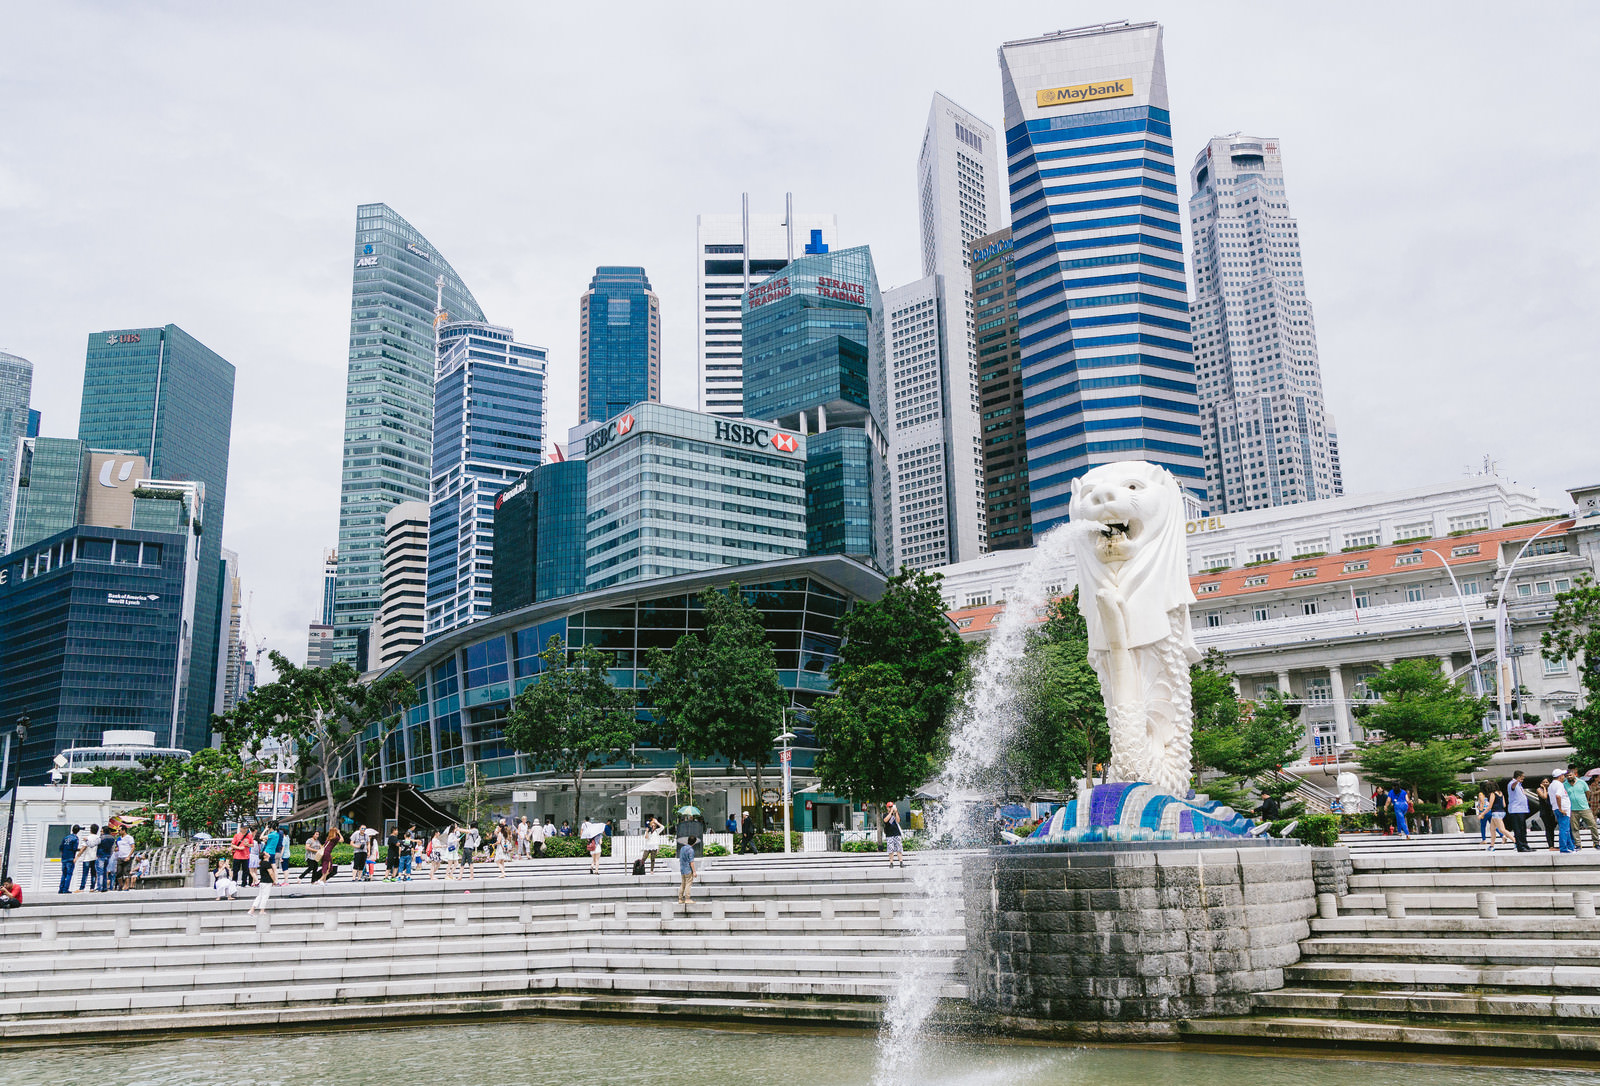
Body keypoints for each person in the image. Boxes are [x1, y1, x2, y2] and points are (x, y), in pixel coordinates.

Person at [1569, 768, 1600, 851]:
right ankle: (1578, 844)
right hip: (1572, 809)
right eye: (1567, 776)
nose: (1569, 777)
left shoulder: (1581, 782)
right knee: (1575, 828)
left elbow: (1588, 792)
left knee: (1593, 825)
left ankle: (1596, 843)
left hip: (1584, 808)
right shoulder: (1565, 784)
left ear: (1574, 775)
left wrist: (1585, 801)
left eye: (1570, 775)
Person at [1506, 771, 1532, 852]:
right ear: (1518, 777)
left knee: (1523, 829)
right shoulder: (1512, 783)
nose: (1523, 779)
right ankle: (1520, 846)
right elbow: (1512, 786)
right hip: (1515, 810)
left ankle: (1525, 845)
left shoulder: (1520, 785)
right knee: (1518, 829)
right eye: (1522, 777)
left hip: (1522, 809)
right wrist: (1516, 781)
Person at [1553, 768, 1576, 853]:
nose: (1564, 777)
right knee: (1564, 829)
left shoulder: (1552, 785)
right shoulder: (1559, 785)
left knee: (1566, 829)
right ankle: (1563, 848)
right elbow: (1558, 796)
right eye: (1563, 775)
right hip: (1563, 810)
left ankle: (1571, 847)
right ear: (1560, 776)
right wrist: (1560, 808)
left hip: (1558, 809)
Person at [76, 824, 99, 892]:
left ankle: (82, 888)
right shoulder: (98, 838)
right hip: (95, 858)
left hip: (87, 858)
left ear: (90, 829)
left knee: (85, 874)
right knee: (93, 874)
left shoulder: (87, 838)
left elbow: (83, 848)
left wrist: (77, 857)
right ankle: (92, 888)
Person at [95, 822, 117, 891]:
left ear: (104, 831)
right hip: (107, 856)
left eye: (101, 831)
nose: (101, 832)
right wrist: (110, 855)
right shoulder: (112, 838)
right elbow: (112, 848)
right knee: (105, 872)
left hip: (101, 856)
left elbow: (94, 844)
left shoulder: (101, 838)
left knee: (100, 873)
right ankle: (104, 887)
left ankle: (100, 887)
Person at [58, 825, 80, 894]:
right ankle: (65, 889)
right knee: (69, 874)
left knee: (63, 874)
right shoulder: (75, 838)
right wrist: (80, 849)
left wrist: (63, 855)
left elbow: (61, 847)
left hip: (64, 858)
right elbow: (74, 848)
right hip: (70, 858)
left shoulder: (66, 837)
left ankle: (61, 889)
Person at [677, 836, 699, 905]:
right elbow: (691, 862)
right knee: (688, 884)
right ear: (694, 842)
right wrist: (694, 871)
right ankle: (687, 898)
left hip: (682, 869)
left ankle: (680, 899)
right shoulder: (691, 850)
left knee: (683, 884)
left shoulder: (682, 848)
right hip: (688, 869)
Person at [884, 801, 905, 869]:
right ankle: (891, 863)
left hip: (896, 833)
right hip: (889, 834)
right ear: (887, 808)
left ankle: (901, 862)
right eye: (889, 807)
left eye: (891, 807)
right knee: (891, 849)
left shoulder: (896, 814)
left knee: (899, 848)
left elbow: (898, 821)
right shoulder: (885, 814)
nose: (890, 808)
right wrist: (890, 812)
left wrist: (895, 812)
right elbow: (885, 820)